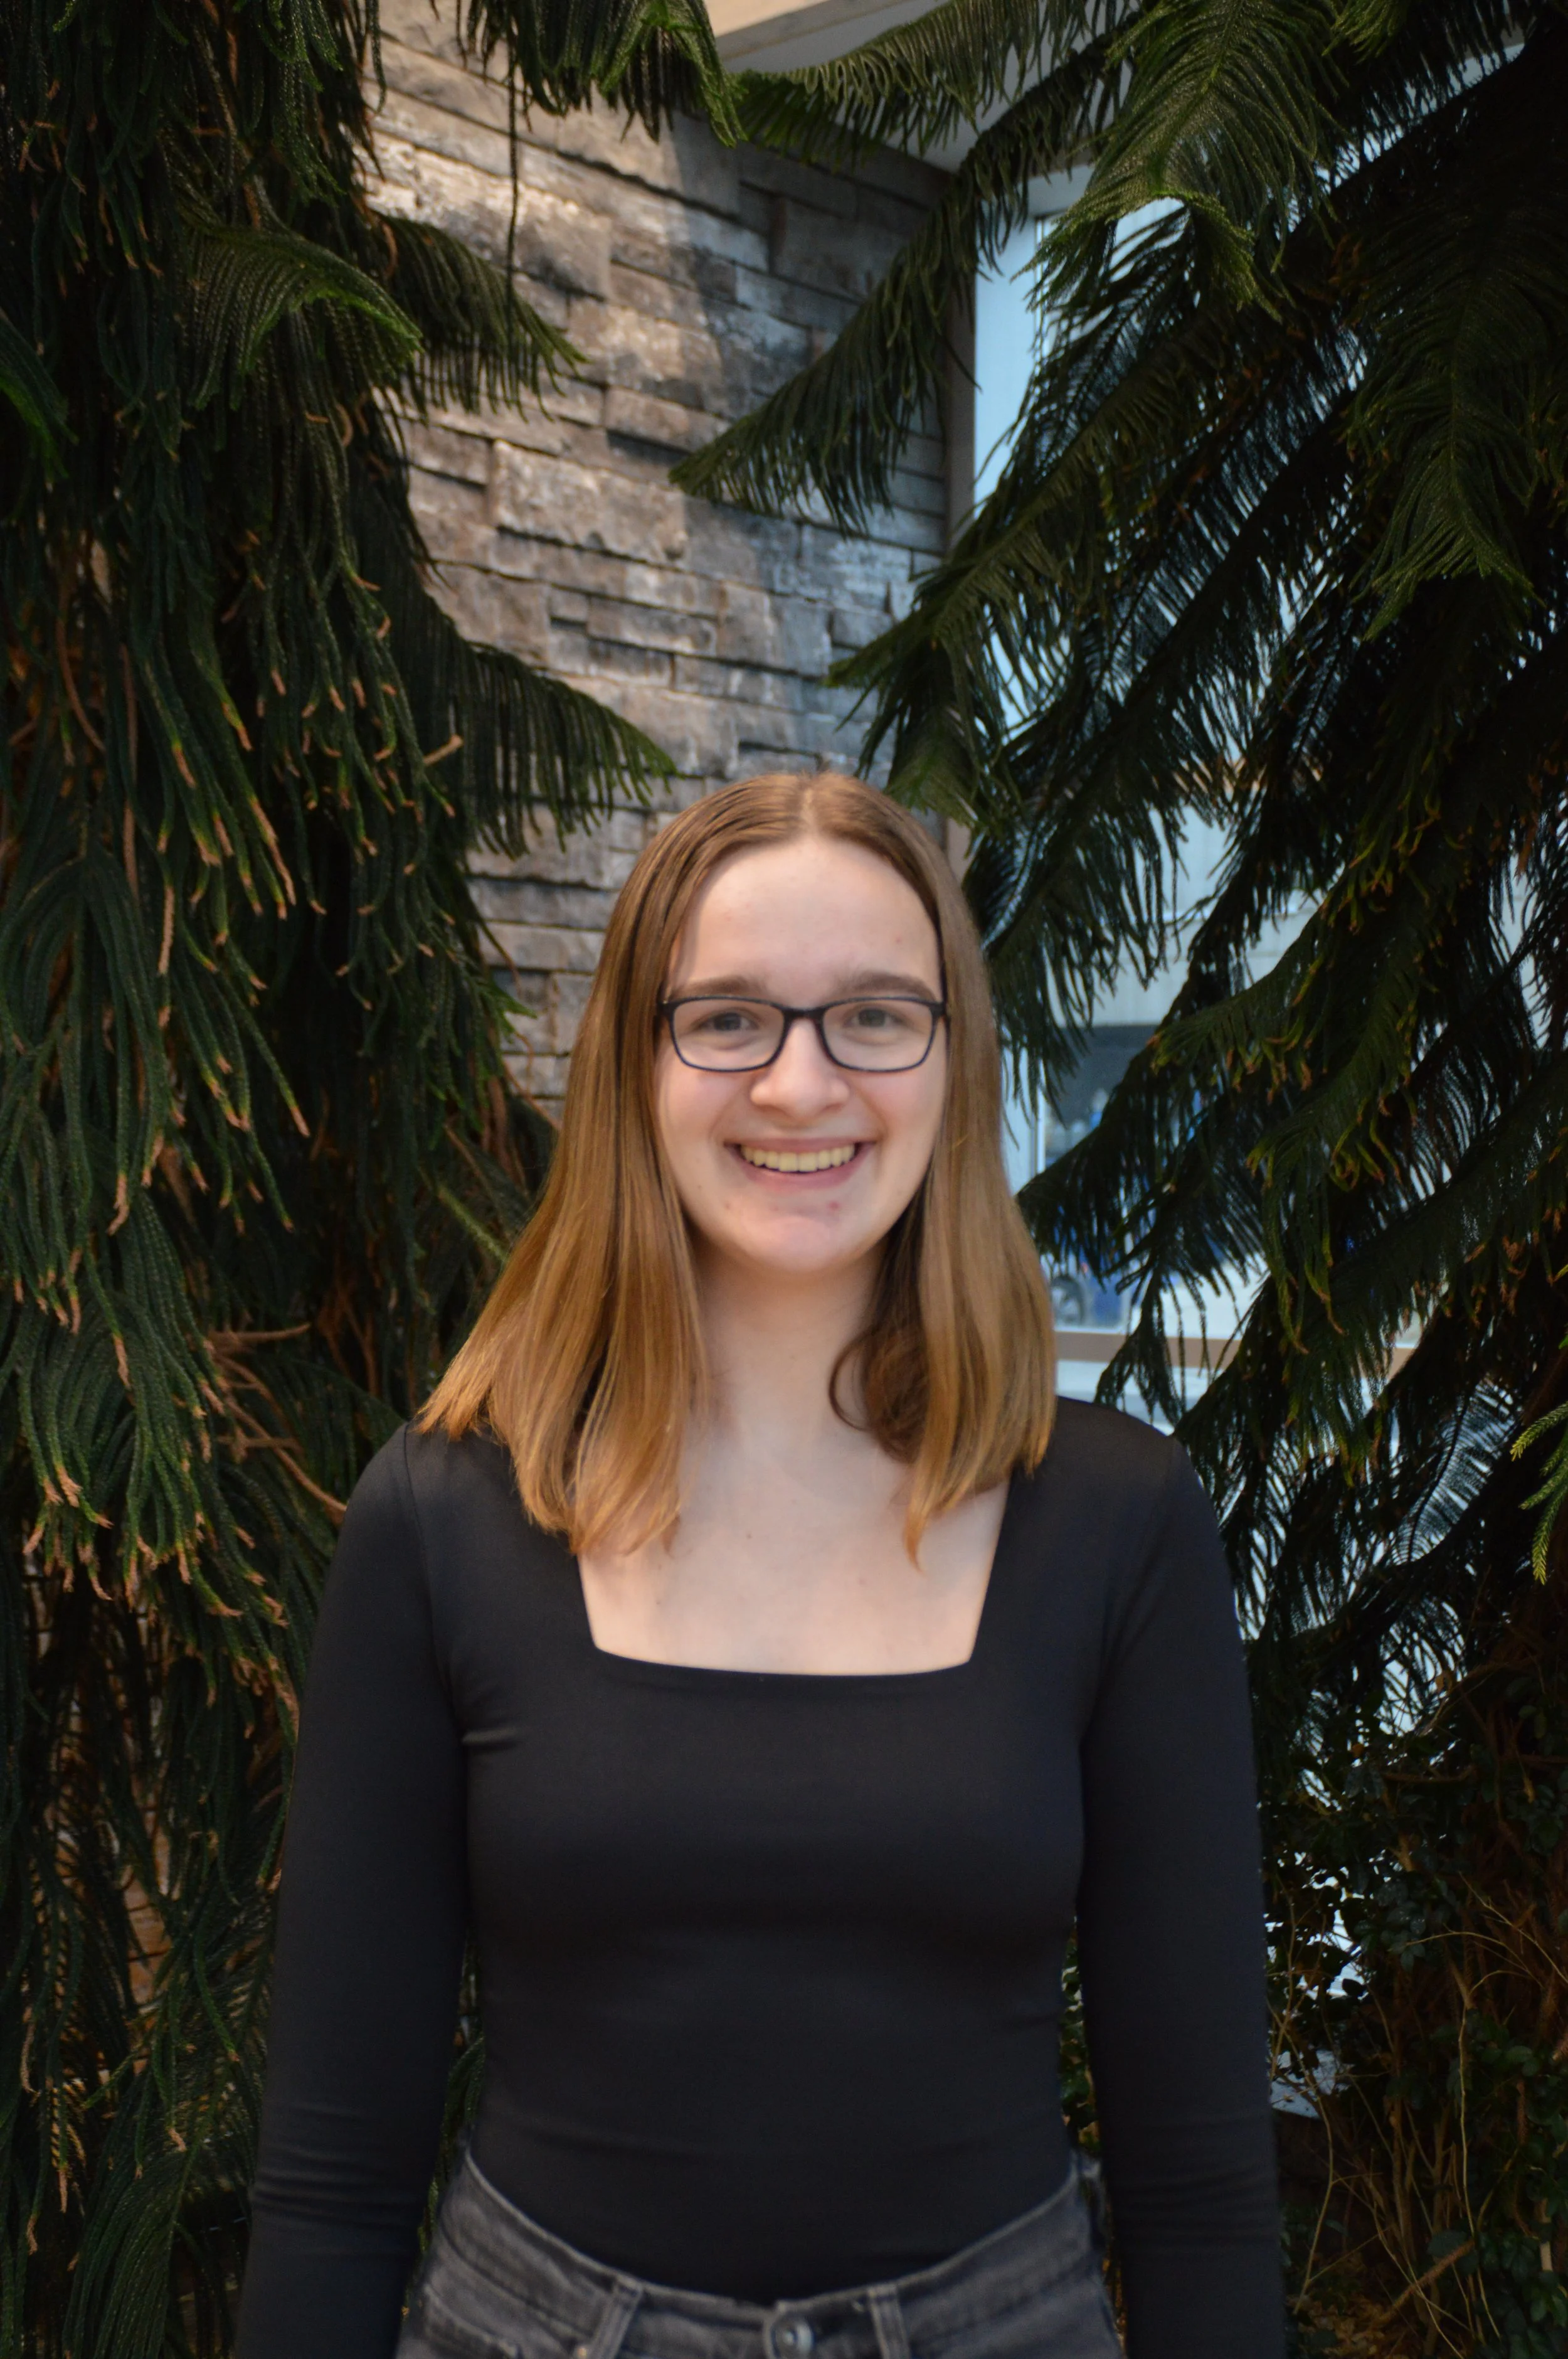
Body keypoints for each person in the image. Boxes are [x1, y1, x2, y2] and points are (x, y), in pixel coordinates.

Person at [236, 773, 1283, 2359]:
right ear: (635, 1067)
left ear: (950, 1057)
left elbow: (1199, 2180)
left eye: (873, 1015)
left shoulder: (1116, 1521)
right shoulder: (444, 1516)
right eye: (726, 1018)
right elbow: (331, 2182)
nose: (800, 1084)